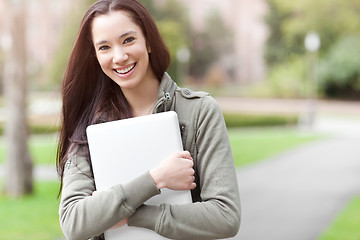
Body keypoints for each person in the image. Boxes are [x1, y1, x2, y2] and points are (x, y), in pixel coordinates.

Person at [56, 0, 241, 239]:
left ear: (149, 41)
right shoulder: (90, 124)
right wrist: (157, 178)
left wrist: (130, 215)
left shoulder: (199, 111)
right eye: (104, 47)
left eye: (128, 40)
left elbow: (225, 217)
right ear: (95, 56)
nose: (119, 56)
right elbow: (73, 222)